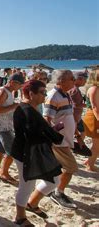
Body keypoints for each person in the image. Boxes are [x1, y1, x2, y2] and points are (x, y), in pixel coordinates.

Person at [11, 80, 64, 226]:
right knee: (26, 185)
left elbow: (38, 130)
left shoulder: (33, 108)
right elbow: (32, 133)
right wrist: (51, 133)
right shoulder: (26, 110)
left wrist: (50, 131)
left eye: (45, 92)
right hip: (25, 153)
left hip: (35, 151)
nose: (45, 95)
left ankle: (32, 203)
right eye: (42, 92)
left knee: (54, 180)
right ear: (31, 93)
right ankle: (20, 217)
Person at [44, 70, 84, 209]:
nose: (74, 80)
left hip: (65, 139)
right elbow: (47, 119)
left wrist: (78, 135)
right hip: (59, 140)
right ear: (60, 81)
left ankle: (51, 190)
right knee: (71, 167)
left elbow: (69, 117)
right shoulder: (53, 96)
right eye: (71, 78)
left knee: (59, 167)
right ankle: (58, 193)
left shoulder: (65, 94)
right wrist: (53, 138)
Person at [0, 73, 24, 185]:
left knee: (0, 150)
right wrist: (15, 106)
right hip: (2, 126)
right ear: (12, 82)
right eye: (19, 84)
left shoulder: (9, 92)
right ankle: (4, 173)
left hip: (4, 125)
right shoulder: (3, 91)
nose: (20, 87)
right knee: (12, 152)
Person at [83, 69, 99, 171]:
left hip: (94, 116)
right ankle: (90, 166)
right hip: (94, 117)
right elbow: (95, 107)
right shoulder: (94, 89)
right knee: (96, 145)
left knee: (97, 144)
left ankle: (89, 161)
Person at [68, 71, 88, 139]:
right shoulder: (75, 90)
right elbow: (75, 105)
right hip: (75, 116)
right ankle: (79, 148)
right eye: (85, 80)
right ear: (79, 79)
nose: (85, 82)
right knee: (82, 133)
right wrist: (88, 105)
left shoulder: (72, 88)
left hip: (74, 116)